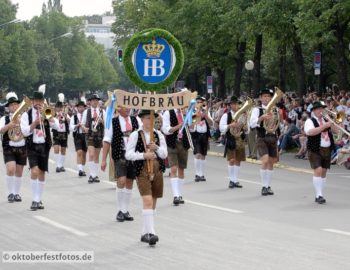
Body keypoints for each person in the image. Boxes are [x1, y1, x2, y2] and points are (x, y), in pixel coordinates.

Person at [125, 110, 167, 246]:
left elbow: (164, 154)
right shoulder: (135, 135)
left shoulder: (159, 134)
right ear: (142, 120)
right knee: (148, 200)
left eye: (152, 118)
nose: (150, 121)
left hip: (157, 169)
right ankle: (151, 233)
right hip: (142, 170)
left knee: (153, 203)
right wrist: (143, 155)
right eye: (147, 118)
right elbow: (128, 154)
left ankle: (145, 232)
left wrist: (157, 148)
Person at [101, 106, 140, 222]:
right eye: (125, 107)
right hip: (120, 154)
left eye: (129, 107)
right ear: (118, 108)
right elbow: (107, 140)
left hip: (133, 155)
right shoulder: (112, 121)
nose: (128, 109)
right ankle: (120, 210)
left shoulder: (135, 120)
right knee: (121, 180)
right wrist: (103, 159)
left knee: (129, 181)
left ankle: (125, 210)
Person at [21, 89, 56, 210]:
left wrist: (48, 117)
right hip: (32, 145)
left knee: (41, 172)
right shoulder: (27, 114)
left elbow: (55, 125)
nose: (38, 103)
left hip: (44, 145)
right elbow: (25, 131)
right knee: (34, 171)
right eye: (36, 101)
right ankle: (35, 199)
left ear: (43, 101)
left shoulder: (46, 111)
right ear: (32, 102)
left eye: (40, 101)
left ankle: (38, 199)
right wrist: (35, 123)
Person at [304, 101, 337, 204]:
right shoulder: (310, 121)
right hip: (315, 149)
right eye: (318, 109)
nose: (320, 110)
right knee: (318, 170)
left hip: (327, 148)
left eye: (322, 108)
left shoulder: (327, 120)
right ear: (314, 110)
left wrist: (333, 122)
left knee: (323, 172)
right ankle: (318, 195)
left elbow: (336, 131)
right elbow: (310, 132)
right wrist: (325, 125)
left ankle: (320, 193)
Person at [249, 88, 280, 196]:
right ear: (261, 98)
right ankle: (263, 186)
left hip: (272, 136)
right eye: (264, 96)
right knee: (265, 160)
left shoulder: (275, 109)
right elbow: (252, 124)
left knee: (271, 162)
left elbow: (278, 124)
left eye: (269, 96)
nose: (267, 98)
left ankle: (268, 185)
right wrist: (261, 118)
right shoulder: (257, 110)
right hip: (262, 137)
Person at [0, 92, 26, 203]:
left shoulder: (24, 117)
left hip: (22, 147)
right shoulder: (4, 119)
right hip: (9, 147)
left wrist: (21, 124)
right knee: (11, 169)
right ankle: (10, 193)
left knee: (19, 172)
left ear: (19, 106)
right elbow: (1, 130)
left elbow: (28, 131)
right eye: (11, 105)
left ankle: (16, 193)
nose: (13, 106)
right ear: (8, 107)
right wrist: (9, 125)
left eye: (15, 104)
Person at [161, 106, 190, 206]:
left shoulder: (186, 112)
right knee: (173, 169)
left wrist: (191, 119)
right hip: (172, 143)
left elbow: (192, 128)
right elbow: (165, 130)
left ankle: (180, 194)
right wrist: (179, 126)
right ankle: (175, 195)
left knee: (181, 169)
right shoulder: (168, 113)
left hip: (184, 142)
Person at [219, 96, 245, 189]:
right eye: (233, 104)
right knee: (232, 160)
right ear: (230, 105)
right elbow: (221, 127)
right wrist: (230, 125)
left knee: (238, 160)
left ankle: (236, 180)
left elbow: (247, 128)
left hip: (240, 138)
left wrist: (244, 126)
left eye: (237, 104)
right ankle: (231, 180)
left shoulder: (242, 115)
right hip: (231, 138)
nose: (235, 105)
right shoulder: (226, 115)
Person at [82, 94, 106, 183]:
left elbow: (107, 124)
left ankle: (95, 175)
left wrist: (102, 121)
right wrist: (84, 128)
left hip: (99, 135)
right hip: (90, 135)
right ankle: (91, 175)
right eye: (93, 100)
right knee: (91, 154)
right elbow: (82, 123)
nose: (95, 102)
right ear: (90, 102)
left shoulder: (102, 112)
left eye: (96, 100)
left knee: (96, 156)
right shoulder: (86, 112)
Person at [191, 96, 213, 182]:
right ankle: (197, 174)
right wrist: (197, 115)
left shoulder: (206, 112)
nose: (199, 104)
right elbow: (191, 126)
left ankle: (202, 174)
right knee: (198, 153)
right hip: (196, 135)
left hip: (204, 135)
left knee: (203, 155)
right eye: (198, 102)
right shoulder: (193, 112)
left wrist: (206, 115)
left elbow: (211, 123)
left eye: (201, 102)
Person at [52, 94, 70, 172]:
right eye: (58, 107)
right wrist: (56, 116)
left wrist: (65, 116)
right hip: (56, 133)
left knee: (63, 150)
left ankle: (61, 165)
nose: (59, 108)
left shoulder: (65, 114)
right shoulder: (53, 114)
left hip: (64, 133)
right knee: (56, 149)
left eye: (60, 107)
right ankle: (58, 165)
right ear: (56, 108)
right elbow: (51, 122)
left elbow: (69, 121)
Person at [70, 99, 87, 176]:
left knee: (84, 153)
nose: (81, 108)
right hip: (77, 135)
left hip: (85, 135)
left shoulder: (86, 116)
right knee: (79, 152)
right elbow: (71, 127)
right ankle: (80, 170)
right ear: (77, 108)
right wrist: (77, 125)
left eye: (82, 107)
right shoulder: (74, 117)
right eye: (79, 107)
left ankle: (82, 169)